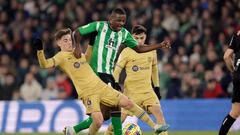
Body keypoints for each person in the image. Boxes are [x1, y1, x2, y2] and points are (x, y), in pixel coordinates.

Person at [34, 28, 170, 135]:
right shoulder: (61, 57)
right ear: (58, 43)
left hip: (100, 86)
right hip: (88, 92)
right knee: (98, 121)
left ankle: (155, 126)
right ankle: (76, 130)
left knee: (127, 103)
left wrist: (91, 42)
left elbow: (86, 58)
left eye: (70, 40)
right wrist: (40, 51)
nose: (69, 42)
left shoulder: (77, 53)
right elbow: (45, 64)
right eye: (65, 40)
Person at [71, 8, 171, 135]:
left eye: (123, 21)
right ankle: (154, 126)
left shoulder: (124, 34)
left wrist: (160, 45)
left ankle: (73, 130)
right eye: (118, 20)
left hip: (108, 75)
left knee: (106, 114)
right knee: (120, 104)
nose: (121, 23)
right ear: (110, 18)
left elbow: (139, 49)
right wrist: (77, 47)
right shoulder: (99, 25)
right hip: (96, 74)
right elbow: (77, 32)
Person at [104, 25, 169, 135]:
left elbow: (154, 69)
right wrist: (115, 83)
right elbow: (117, 70)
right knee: (118, 122)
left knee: (159, 115)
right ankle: (108, 133)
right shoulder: (127, 51)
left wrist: (157, 87)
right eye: (136, 38)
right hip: (131, 93)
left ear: (146, 37)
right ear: (131, 37)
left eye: (142, 38)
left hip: (148, 91)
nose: (139, 41)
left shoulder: (152, 51)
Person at [219, 31, 240, 135]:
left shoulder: (237, 33)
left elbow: (226, 56)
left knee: (234, 112)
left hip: (238, 76)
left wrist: (234, 71)